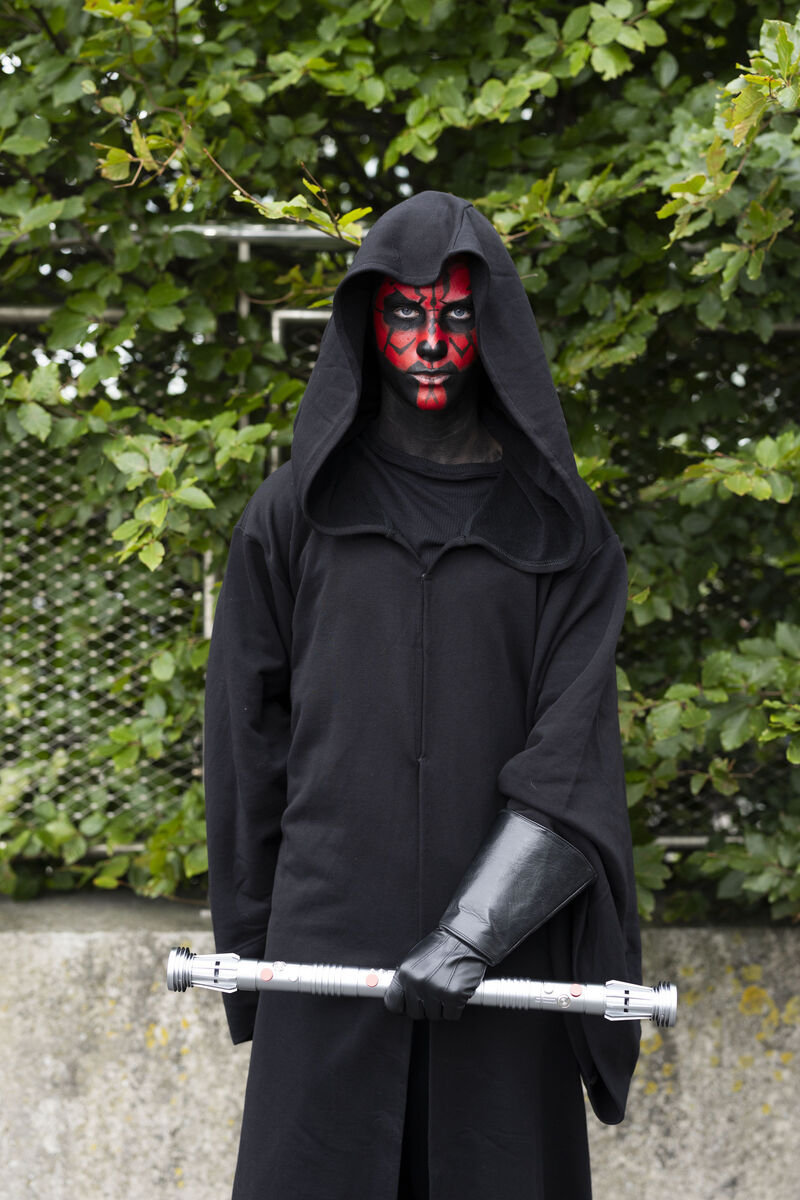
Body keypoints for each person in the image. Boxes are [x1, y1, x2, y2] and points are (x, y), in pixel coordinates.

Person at [204, 190, 641, 1200]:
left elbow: (571, 753)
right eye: (405, 314)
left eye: (455, 315)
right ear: (368, 322)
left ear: (493, 327)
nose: (432, 343)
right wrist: (255, 947)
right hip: (327, 953)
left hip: (505, 963)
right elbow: (243, 743)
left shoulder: (564, 533)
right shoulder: (291, 515)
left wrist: (470, 935)